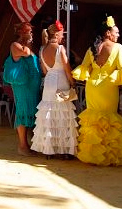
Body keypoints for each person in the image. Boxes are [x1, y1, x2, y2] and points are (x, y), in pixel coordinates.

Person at [72, 15, 122, 166]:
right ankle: (107, 156)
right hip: (108, 86)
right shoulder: (118, 47)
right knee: (109, 119)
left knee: (93, 119)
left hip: (92, 86)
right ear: (108, 33)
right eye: (116, 32)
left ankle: (93, 155)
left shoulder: (91, 48)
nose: (118, 35)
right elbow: (121, 68)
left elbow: (84, 67)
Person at [30, 21, 78, 158]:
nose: (63, 36)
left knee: (49, 114)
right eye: (62, 34)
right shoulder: (60, 49)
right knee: (62, 114)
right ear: (57, 34)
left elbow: (44, 70)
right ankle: (64, 150)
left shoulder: (42, 50)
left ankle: (49, 149)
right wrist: (72, 82)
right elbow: (67, 69)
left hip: (49, 82)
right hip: (61, 81)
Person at [3, 22, 41, 156]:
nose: (30, 34)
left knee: (32, 111)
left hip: (32, 86)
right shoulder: (15, 45)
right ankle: (22, 145)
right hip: (22, 86)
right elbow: (25, 53)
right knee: (23, 111)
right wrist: (26, 42)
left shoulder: (30, 47)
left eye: (31, 32)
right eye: (28, 32)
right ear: (21, 33)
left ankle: (30, 144)